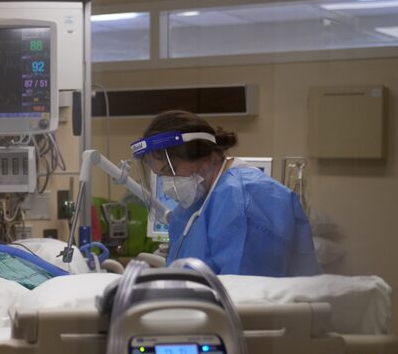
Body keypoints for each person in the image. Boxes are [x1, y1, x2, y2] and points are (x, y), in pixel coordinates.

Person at [131, 110, 320, 277]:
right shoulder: (191, 209)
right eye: (160, 175)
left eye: (170, 171)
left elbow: (246, 293)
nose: (167, 184)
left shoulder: (247, 199)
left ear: (203, 158)